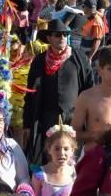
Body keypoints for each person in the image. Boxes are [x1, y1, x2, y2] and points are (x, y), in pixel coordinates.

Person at [23, 19, 93, 163]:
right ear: (49, 38)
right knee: (49, 156)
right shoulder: (39, 61)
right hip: (47, 117)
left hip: (74, 117)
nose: (62, 37)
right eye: (57, 35)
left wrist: (89, 119)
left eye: (64, 34)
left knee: (72, 156)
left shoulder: (80, 58)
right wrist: (27, 124)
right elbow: (29, 94)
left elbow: (89, 89)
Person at [31, 123, 77, 196]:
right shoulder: (40, 175)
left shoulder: (74, 173)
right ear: (49, 150)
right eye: (57, 148)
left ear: (72, 150)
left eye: (66, 149)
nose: (61, 153)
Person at [72, 45, 111, 151]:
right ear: (100, 70)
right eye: (110, 69)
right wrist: (97, 135)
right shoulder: (86, 97)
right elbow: (73, 132)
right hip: (94, 158)